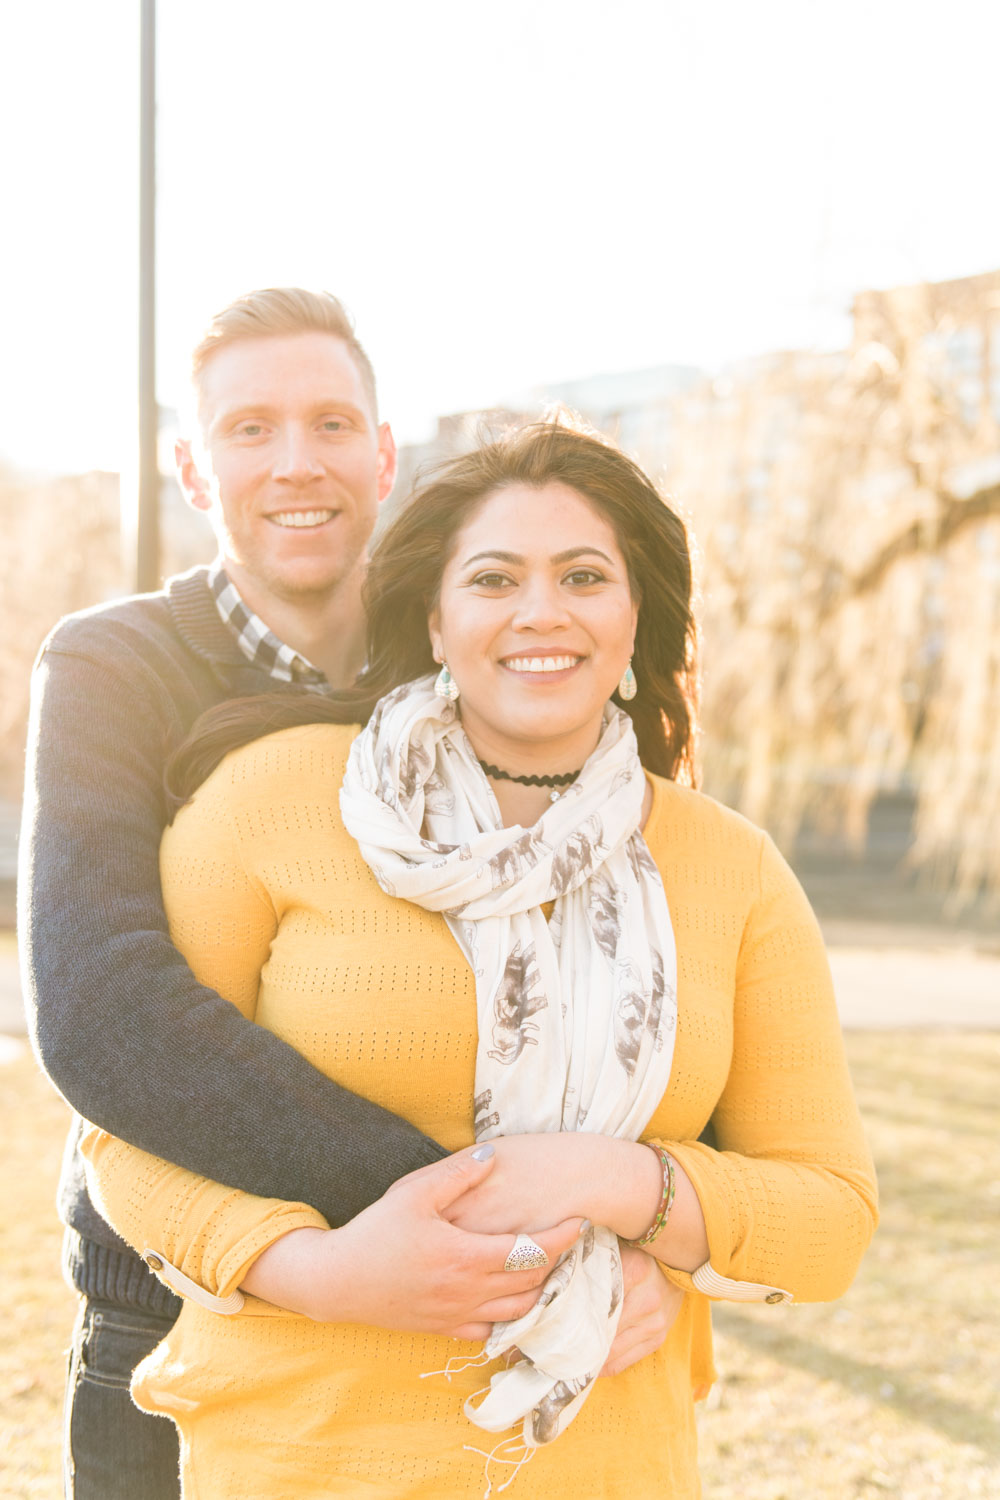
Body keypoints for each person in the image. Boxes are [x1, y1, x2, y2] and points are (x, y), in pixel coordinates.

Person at [78, 418, 878, 1498]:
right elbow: (126, 1130)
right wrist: (321, 1273)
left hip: (601, 1466)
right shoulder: (272, 798)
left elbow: (826, 1217)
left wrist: (619, 1186)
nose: (540, 612)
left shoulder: (728, 866)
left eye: (584, 576)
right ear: (435, 617)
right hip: (302, 1457)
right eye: (494, 578)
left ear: (635, 618)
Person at [19, 290, 672, 1500]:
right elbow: (103, 1009)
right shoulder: (113, 667)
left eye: (329, 423)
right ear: (192, 467)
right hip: (177, 1296)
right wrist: (486, 1222)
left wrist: (649, 1227)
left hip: (489, 1314)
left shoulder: (477, 646)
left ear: (382, 453)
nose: (295, 463)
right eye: (249, 430)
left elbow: (620, 927)